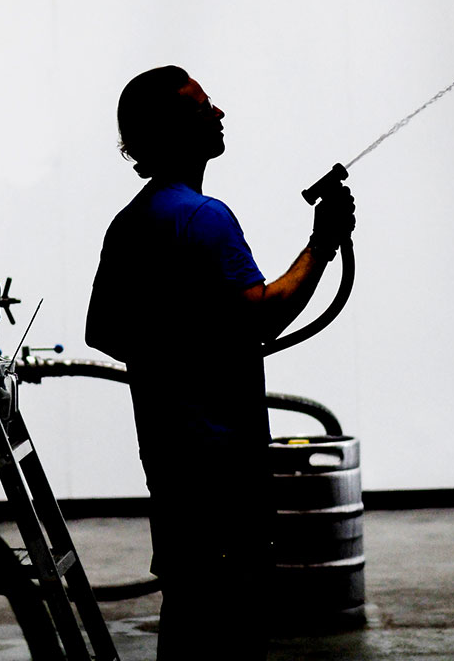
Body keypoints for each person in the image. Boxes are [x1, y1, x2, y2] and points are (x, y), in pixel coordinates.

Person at [85, 65, 354, 660]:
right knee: (233, 616)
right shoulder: (206, 218)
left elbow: (102, 329)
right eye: (204, 107)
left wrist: (180, 348)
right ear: (175, 130)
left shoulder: (130, 222)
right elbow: (262, 314)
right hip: (222, 461)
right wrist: (322, 244)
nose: (220, 114)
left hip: (168, 453)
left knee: (187, 605)